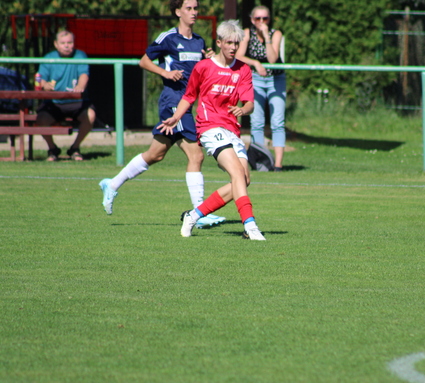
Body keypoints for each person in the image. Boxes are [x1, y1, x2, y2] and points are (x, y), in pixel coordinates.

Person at [98, 0, 225, 228]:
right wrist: (165, 73)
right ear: (177, 12)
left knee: (155, 154)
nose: (194, 12)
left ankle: (113, 184)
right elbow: (144, 61)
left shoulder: (199, 42)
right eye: (189, 8)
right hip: (172, 102)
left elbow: (199, 75)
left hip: (186, 103)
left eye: (196, 8)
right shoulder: (168, 38)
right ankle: (200, 214)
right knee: (196, 156)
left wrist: (210, 61)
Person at [159, 20, 266, 241]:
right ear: (219, 43)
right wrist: (175, 118)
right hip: (209, 127)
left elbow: (249, 103)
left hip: (232, 130)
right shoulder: (204, 67)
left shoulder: (243, 69)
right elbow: (189, 96)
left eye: (237, 43)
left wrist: (243, 110)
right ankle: (251, 226)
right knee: (236, 173)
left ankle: (193, 215)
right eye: (229, 43)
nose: (233, 47)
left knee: (243, 180)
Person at [236, 5, 286, 172]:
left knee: (277, 122)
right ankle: (260, 162)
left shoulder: (275, 34)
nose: (262, 22)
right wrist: (256, 63)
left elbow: (272, 59)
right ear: (252, 20)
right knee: (256, 122)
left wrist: (267, 36)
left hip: (275, 79)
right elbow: (238, 56)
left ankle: (278, 165)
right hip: (256, 79)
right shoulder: (247, 34)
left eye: (265, 18)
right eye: (258, 18)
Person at [36, 30, 96, 161]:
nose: (67, 45)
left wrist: (80, 87)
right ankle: (52, 149)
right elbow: (41, 79)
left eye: (70, 42)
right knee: (41, 119)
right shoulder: (48, 58)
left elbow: (84, 74)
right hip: (54, 102)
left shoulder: (80, 56)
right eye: (63, 43)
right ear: (56, 44)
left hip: (76, 102)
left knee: (90, 115)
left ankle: (75, 148)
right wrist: (45, 85)